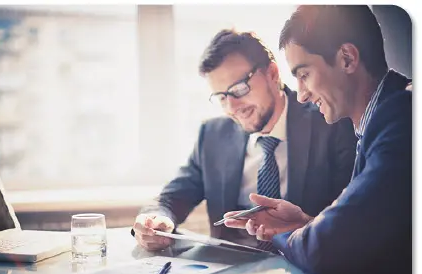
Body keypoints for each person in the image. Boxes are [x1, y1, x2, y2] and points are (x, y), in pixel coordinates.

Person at [223, 5, 412, 274]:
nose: (301, 95)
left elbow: (323, 251)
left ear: (347, 59)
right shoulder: (380, 119)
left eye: (304, 74)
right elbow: (369, 237)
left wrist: (285, 232)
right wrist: (305, 223)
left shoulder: (402, 120)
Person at [132, 29, 357, 252]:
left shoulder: (331, 122)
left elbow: (351, 222)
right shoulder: (212, 135)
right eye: (221, 97)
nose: (232, 108)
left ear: (272, 73)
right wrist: (155, 219)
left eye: (239, 89)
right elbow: (172, 197)